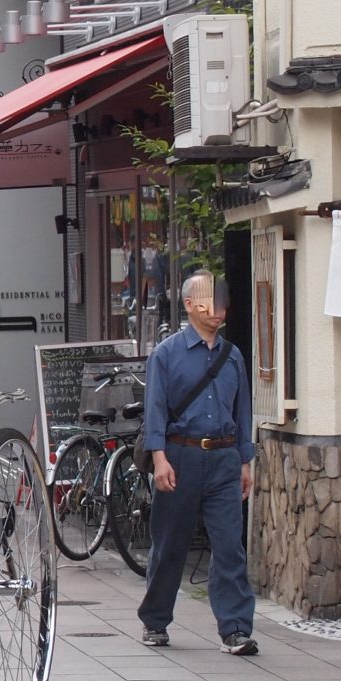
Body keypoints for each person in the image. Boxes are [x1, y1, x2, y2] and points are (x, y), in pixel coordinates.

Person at [137, 270, 258, 656]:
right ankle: (155, 620)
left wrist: (244, 460)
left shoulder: (233, 355)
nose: (217, 307)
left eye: (221, 299)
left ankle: (236, 628)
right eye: (208, 299)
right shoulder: (167, 354)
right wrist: (159, 459)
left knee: (229, 546)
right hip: (179, 455)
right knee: (170, 544)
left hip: (224, 458)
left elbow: (243, 411)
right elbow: (153, 409)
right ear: (190, 305)